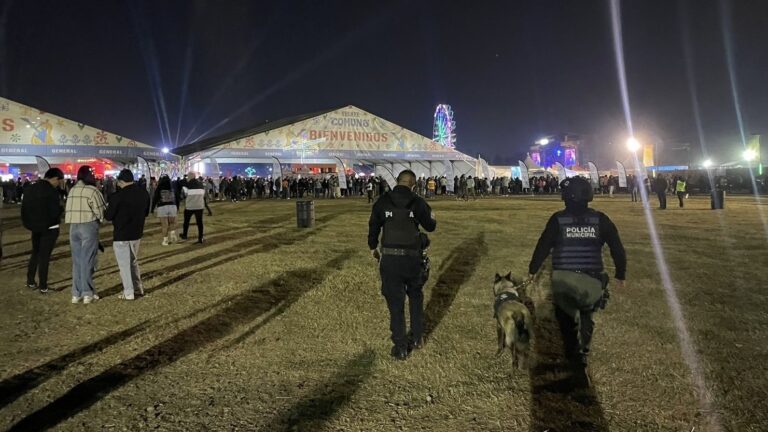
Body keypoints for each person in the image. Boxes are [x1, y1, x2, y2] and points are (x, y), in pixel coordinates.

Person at [527, 176, 626, 387]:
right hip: (592, 281)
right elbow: (617, 247)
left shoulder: (558, 220)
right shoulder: (600, 219)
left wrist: (533, 270)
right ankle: (584, 351)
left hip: (564, 279)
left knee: (567, 322)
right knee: (587, 315)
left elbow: (543, 245)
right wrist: (620, 274)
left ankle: (575, 359)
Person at [368, 169, 437, 360]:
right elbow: (431, 225)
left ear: (397, 181)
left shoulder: (383, 201)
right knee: (415, 297)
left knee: (395, 303)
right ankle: (417, 337)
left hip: (390, 259)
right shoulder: (417, 201)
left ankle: (400, 345)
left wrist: (372, 246)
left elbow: (373, 225)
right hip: (412, 258)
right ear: (413, 184)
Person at [105, 169, 150, 300]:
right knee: (133, 261)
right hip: (137, 232)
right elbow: (146, 212)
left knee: (124, 264)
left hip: (121, 233)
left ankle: (128, 292)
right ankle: (138, 288)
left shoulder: (117, 196)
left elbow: (108, 216)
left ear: (121, 181)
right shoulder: (143, 193)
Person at [65, 165, 107, 304]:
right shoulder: (92, 191)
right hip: (88, 225)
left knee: (77, 261)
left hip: (73, 227)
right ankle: (87, 292)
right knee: (87, 260)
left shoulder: (72, 190)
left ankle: (76, 293)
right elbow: (101, 211)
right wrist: (100, 219)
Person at [21, 168, 64, 293]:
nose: (59, 184)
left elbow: (24, 209)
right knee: (44, 257)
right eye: (59, 181)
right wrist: (60, 210)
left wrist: (29, 223)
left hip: (34, 227)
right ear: (55, 178)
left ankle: (30, 280)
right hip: (49, 228)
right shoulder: (51, 192)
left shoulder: (30, 189)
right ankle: (43, 286)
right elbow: (54, 211)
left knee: (35, 253)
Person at [152, 175, 179, 245]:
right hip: (172, 206)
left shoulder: (159, 187)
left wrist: (152, 209)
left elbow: (155, 198)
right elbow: (177, 197)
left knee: (164, 225)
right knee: (172, 223)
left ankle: (165, 241)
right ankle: (173, 234)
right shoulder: (172, 187)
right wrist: (177, 207)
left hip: (162, 206)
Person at [180, 172, 207, 244]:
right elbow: (203, 194)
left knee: (186, 221)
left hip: (190, 206)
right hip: (199, 206)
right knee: (199, 222)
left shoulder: (186, 185)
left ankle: (185, 235)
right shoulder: (201, 185)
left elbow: (183, 196)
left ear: (189, 177)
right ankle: (200, 238)